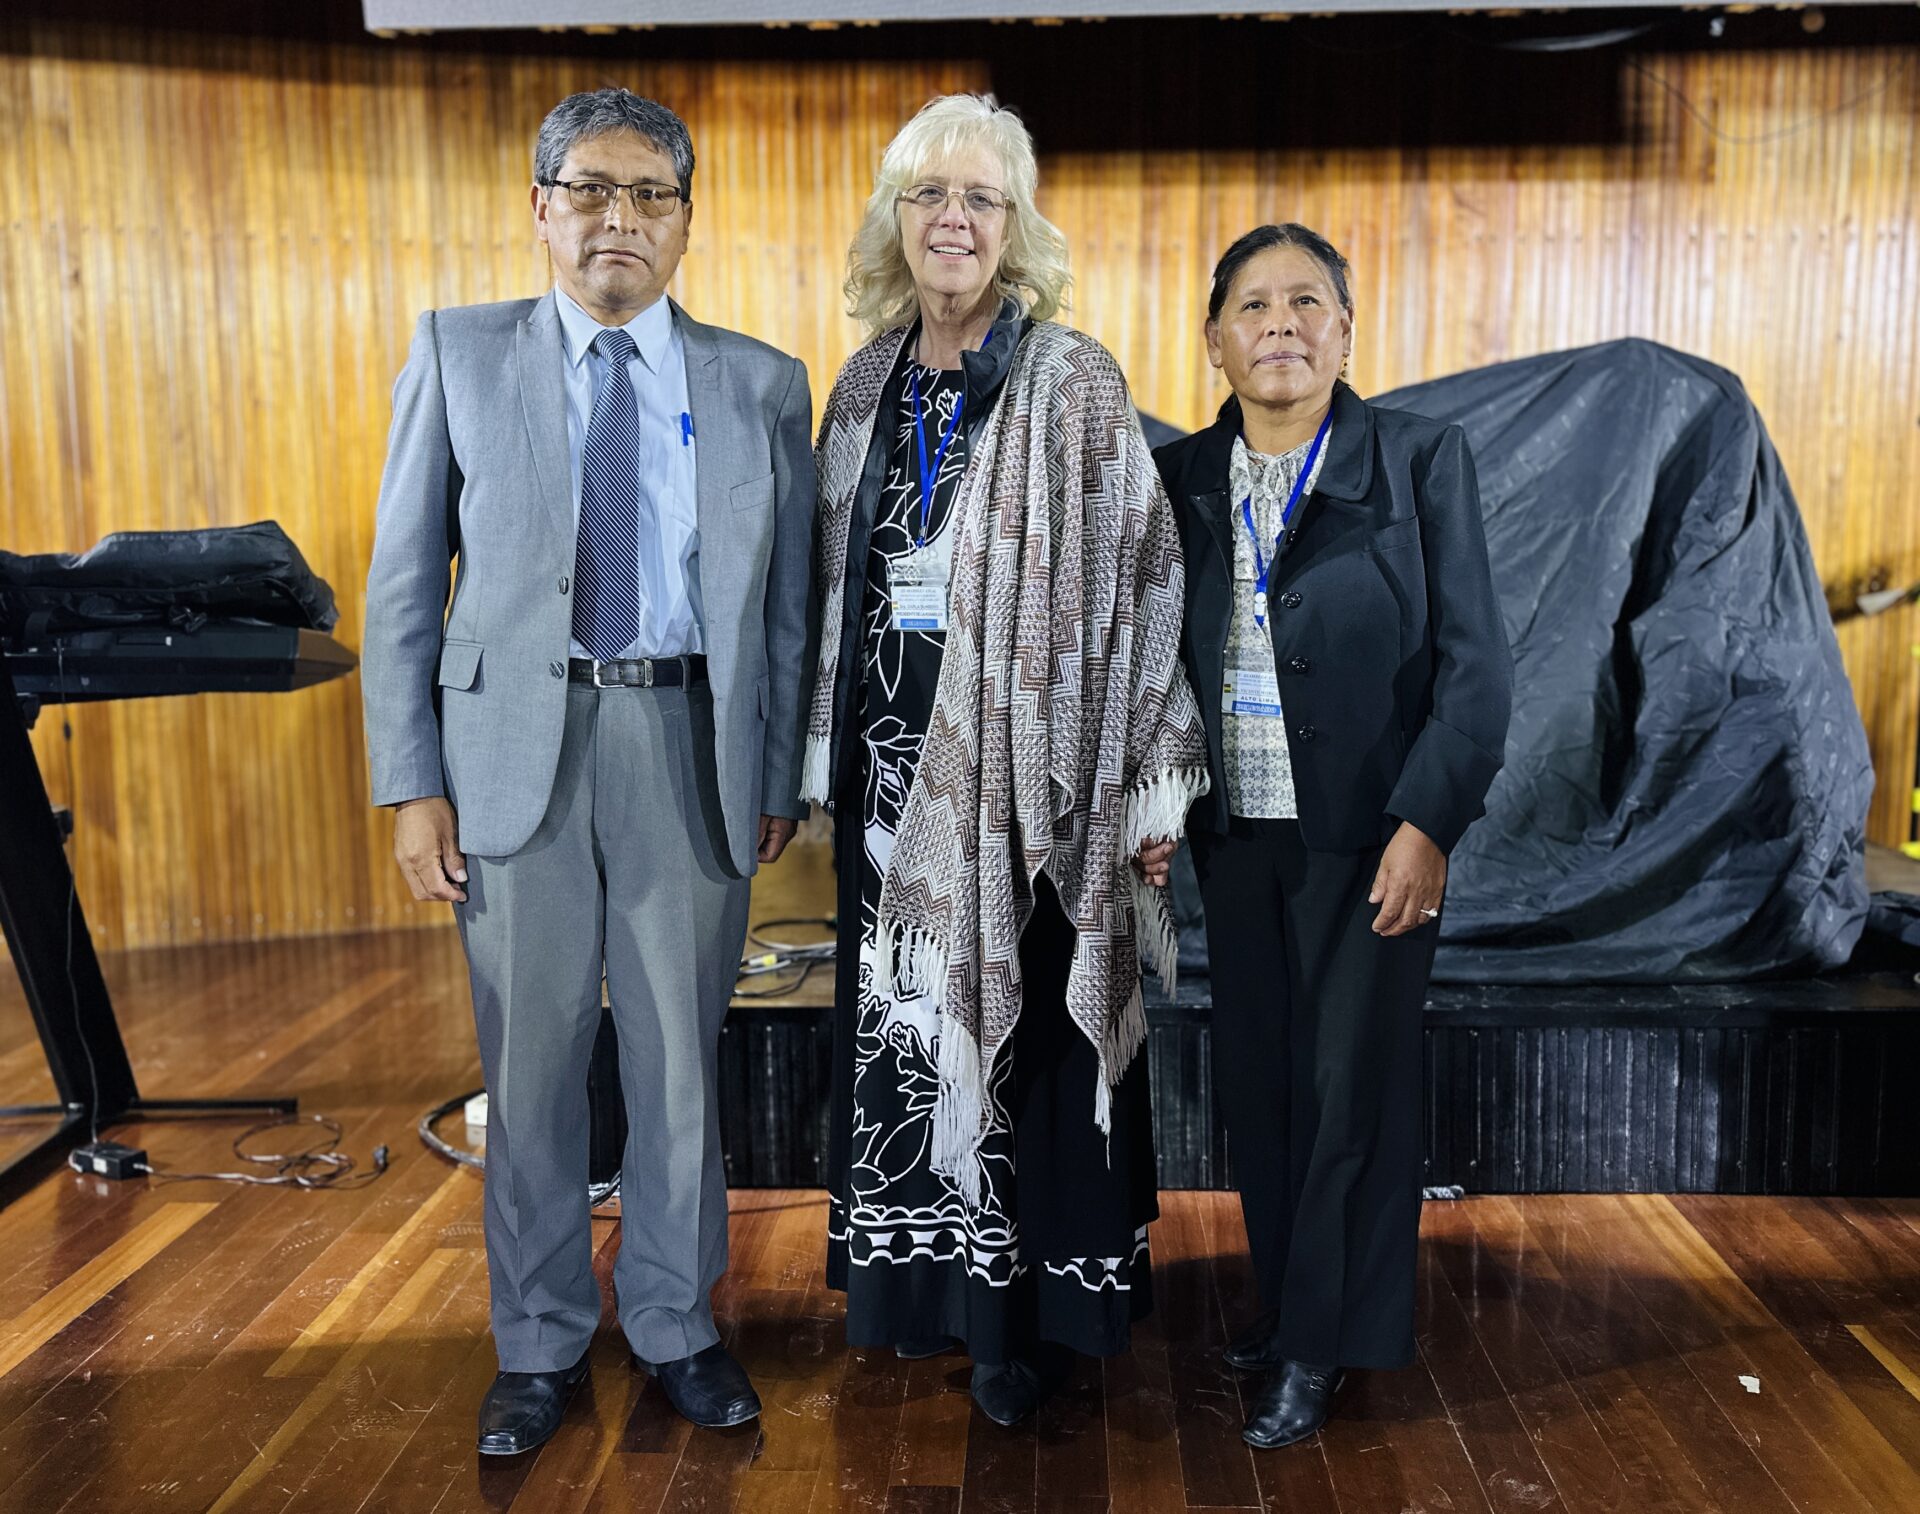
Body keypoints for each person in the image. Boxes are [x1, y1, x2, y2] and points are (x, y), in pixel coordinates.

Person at [361, 88, 815, 1454]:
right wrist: (410, 781)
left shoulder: (760, 381)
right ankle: (540, 1338)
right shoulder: (458, 353)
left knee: (680, 1064)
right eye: (592, 189)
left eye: (651, 193)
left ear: (685, 219)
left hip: (687, 745)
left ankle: (677, 1321)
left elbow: (786, 608)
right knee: (533, 1063)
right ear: (542, 207)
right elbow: (401, 585)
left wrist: (776, 769)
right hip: (515, 752)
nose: (622, 217)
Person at [801, 94, 1208, 1426]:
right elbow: (829, 588)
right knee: (910, 1040)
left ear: (1016, 225)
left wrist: (1146, 776)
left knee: (1025, 1047)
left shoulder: (1073, 376)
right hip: (891, 795)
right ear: (897, 219)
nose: (954, 219)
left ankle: (1022, 1328)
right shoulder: (862, 385)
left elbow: (1146, 575)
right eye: (929, 195)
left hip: (1038, 796)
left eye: (980, 198)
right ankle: (934, 1303)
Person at [1150, 223, 1511, 1449]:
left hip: (1370, 837)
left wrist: (1428, 821)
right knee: (1263, 1087)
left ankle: (1324, 1339)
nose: (1282, 325)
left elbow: (1477, 668)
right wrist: (1156, 802)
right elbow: (1149, 665)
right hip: (1236, 836)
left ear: (1346, 332)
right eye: (1253, 306)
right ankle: (1285, 1303)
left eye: (1308, 302)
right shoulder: (1180, 477)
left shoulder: (1418, 460)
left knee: (1351, 1090)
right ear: (1215, 338)